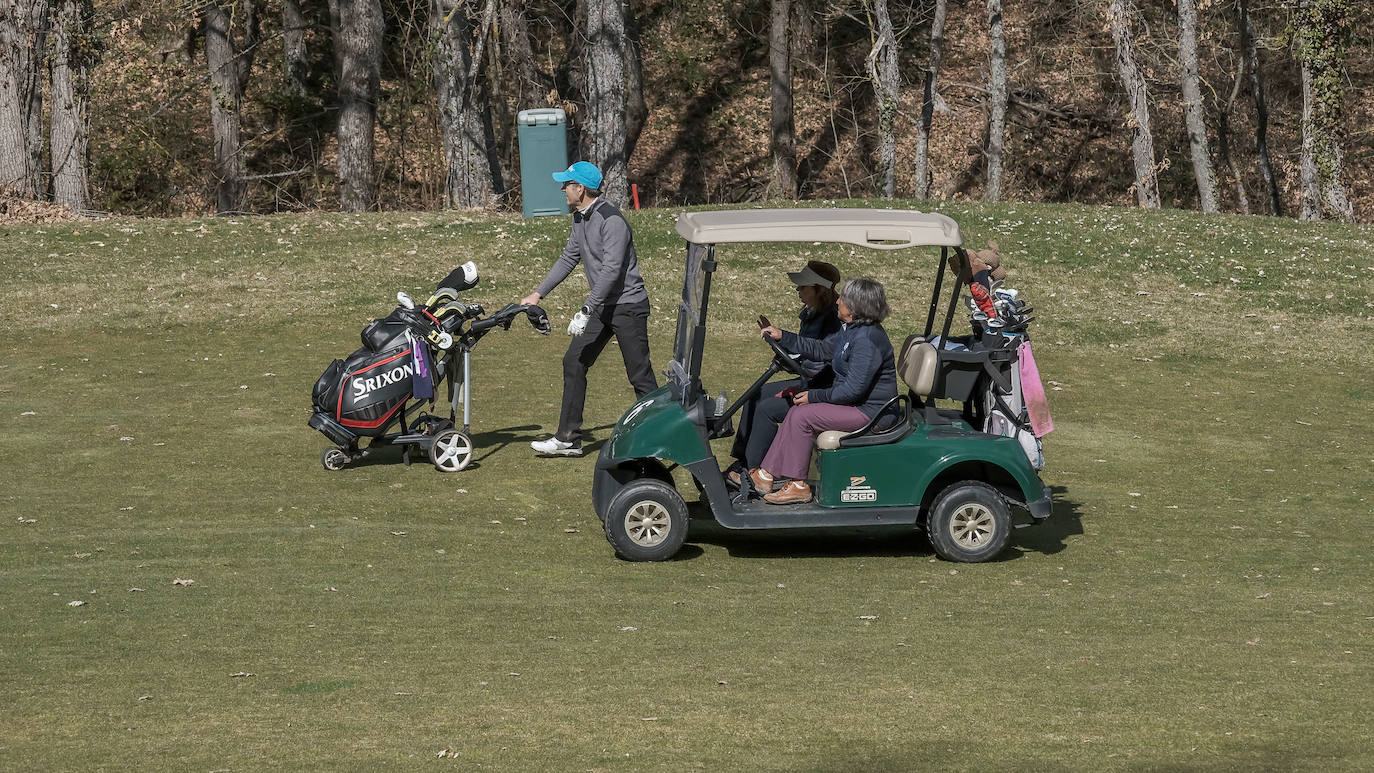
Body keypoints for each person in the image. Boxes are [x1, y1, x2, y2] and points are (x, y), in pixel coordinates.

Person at [520, 161, 657, 456]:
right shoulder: (580, 218)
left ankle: (658, 435)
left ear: (580, 189)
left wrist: (585, 309)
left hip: (628, 307)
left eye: (566, 185)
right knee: (574, 361)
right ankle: (568, 438)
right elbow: (569, 257)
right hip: (602, 306)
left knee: (640, 375)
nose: (562, 190)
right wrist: (538, 293)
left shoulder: (612, 220)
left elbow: (611, 271)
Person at [751, 277, 897, 504]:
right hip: (857, 405)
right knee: (796, 410)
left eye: (843, 299)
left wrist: (814, 396)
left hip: (872, 413)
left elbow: (852, 391)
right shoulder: (852, 331)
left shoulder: (867, 340)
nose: (837, 301)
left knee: (802, 415)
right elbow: (822, 349)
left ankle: (798, 485)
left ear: (857, 307)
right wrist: (784, 336)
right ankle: (766, 474)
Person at [726, 260, 843, 486]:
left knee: (767, 409)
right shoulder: (812, 313)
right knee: (756, 394)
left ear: (819, 290)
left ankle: (753, 470)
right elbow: (804, 352)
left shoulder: (833, 320)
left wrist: (785, 339)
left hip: (823, 387)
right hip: (810, 379)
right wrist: (779, 344)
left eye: (803, 287)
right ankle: (743, 461)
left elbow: (820, 354)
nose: (798, 290)